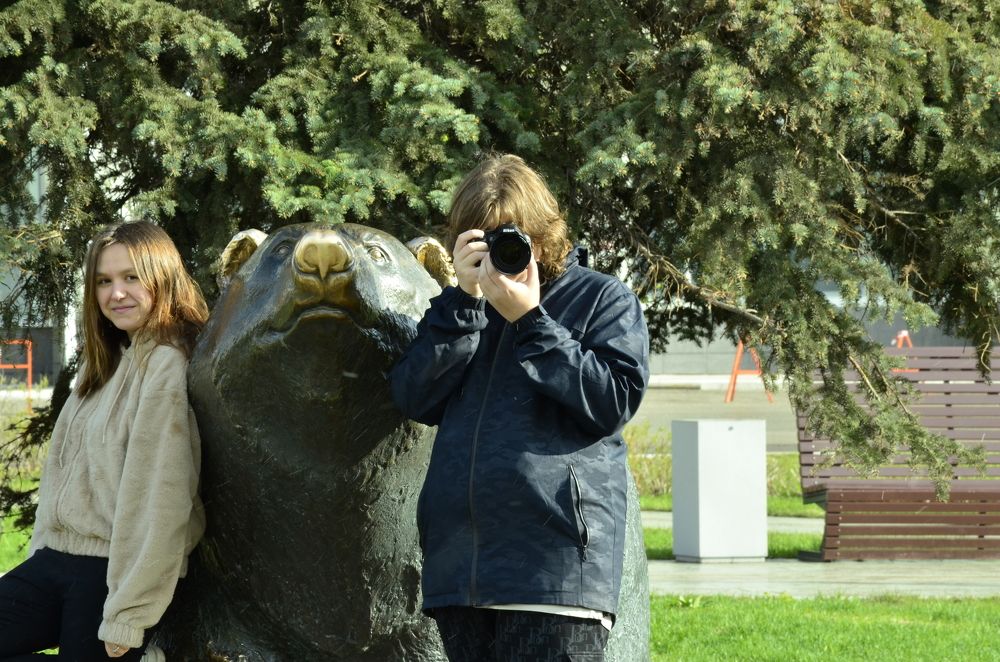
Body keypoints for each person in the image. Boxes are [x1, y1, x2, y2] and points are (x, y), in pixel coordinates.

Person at [390, 154, 650, 661]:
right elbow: (412, 397)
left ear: (542, 234)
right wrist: (463, 303)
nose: (499, 254)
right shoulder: (461, 310)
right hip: (462, 574)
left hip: (555, 572)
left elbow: (613, 400)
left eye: (511, 237)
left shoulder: (601, 299)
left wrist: (530, 320)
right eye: (481, 241)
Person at [0, 221, 208, 660]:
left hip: (110, 575)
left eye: (132, 277)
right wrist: (39, 551)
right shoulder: (104, 364)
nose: (117, 294)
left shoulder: (166, 365)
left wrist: (128, 614)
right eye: (104, 281)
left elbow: (162, 499)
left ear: (162, 278)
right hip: (54, 561)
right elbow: (59, 476)